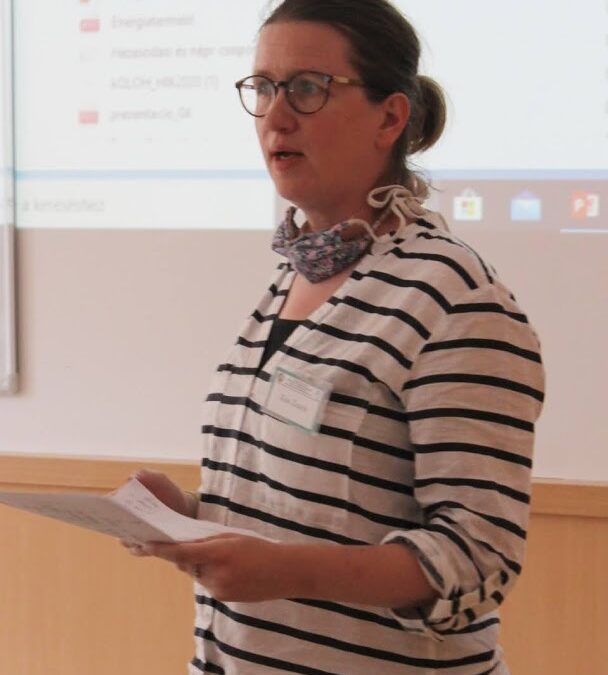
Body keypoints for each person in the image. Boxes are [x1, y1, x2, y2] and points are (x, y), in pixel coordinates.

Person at [124, 1, 545, 673]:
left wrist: (290, 571)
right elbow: (308, 510)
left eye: (307, 88)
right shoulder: (294, 277)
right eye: (263, 87)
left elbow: (479, 560)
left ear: (390, 117)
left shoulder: (454, 297)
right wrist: (192, 516)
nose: (276, 115)